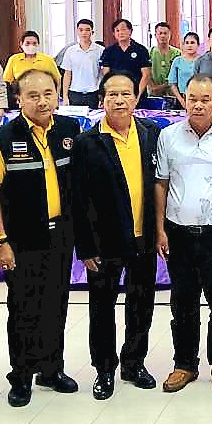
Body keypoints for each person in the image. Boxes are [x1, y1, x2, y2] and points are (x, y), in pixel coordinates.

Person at [0, 69, 80, 407]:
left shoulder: (69, 130)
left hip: (61, 234)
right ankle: (21, 376)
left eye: (48, 93)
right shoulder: (4, 137)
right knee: (24, 308)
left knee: (56, 304)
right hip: (21, 239)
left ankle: (51, 369)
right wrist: (0, 240)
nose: (42, 101)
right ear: (19, 99)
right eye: (33, 95)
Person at [70, 72, 161, 400]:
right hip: (104, 242)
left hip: (143, 237)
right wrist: (85, 246)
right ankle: (104, 369)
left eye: (126, 94)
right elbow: (78, 198)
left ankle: (134, 363)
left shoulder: (150, 133)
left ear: (136, 98)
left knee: (142, 304)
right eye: (112, 95)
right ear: (102, 100)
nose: (120, 100)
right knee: (102, 307)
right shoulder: (87, 142)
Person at [155, 74, 212, 392]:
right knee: (182, 304)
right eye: (192, 98)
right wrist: (159, 229)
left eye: (205, 99)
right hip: (178, 233)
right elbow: (161, 184)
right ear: (185, 99)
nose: (198, 105)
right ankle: (184, 364)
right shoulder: (168, 136)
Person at [100, 18, 153, 103]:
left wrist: (137, 96)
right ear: (114, 33)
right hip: (116, 94)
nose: (120, 33)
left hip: (137, 94)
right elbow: (106, 75)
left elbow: (146, 75)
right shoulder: (108, 51)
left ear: (130, 31)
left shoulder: (141, 50)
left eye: (123, 29)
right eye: (117, 30)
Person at [59, 19, 106, 108]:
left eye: (87, 30)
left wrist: (103, 95)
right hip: (74, 93)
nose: (84, 33)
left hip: (93, 94)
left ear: (92, 32)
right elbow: (67, 74)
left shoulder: (100, 50)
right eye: (81, 30)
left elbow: (104, 74)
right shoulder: (70, 51)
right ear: (77, 32)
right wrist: (65, 96)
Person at [167, 31, 200, 109]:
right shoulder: (177, 61)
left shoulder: (202, 60)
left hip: (199, 98)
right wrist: (182, 101)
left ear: (198, 45)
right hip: (181, 98)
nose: (189, 45)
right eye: (187, 43)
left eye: (192, 43)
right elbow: (172, 83)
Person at [148, 22, 181, 99]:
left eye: (165, 33)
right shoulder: (150, 53)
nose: (163, 36)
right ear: (155, 35)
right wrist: (153, 87)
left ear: (170, 35)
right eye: (160, 33)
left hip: (173, 94)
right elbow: (146, 74)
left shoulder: (177, 53)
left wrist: (166, 85)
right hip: (154, 95)